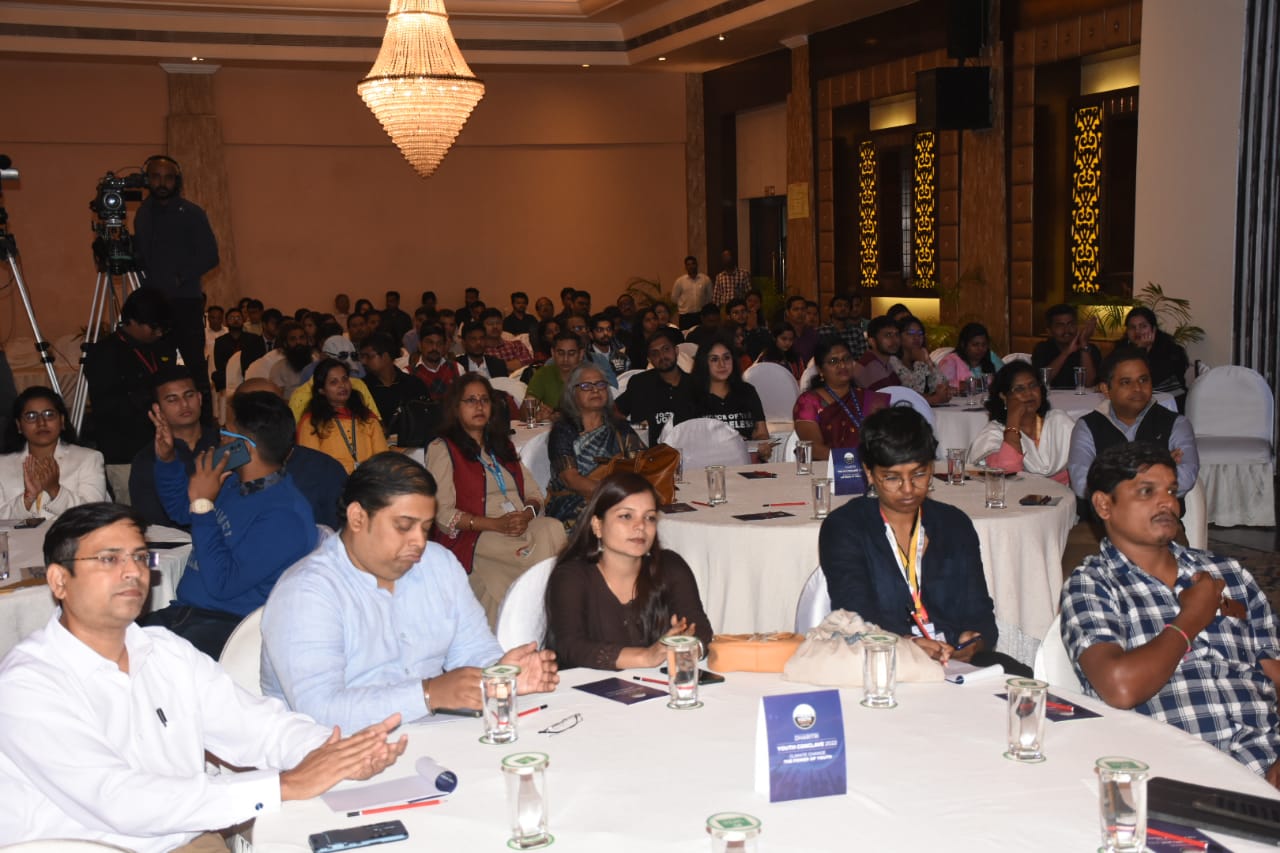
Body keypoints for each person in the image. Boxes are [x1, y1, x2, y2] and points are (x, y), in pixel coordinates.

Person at [0, 503, 405, 852]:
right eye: (109, 559)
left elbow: (258, 727)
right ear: (59, 580)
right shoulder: (29, 684)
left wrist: (337, 751)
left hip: (185, 839)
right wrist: (285, 785)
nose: (132, 572)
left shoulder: (165, 651)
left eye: (140, 557)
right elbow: (119, 800)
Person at [260, 453, 559, 731]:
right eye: (404, 526)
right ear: (358, 517)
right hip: (337, 753)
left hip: (430, 736)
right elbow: (321, 711)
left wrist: (501, 674)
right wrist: (428, 694)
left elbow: (473, 650)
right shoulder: (307, 593)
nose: (419, 541)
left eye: (426, 528)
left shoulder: (438, 564)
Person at [1060, 442, 1280, 782]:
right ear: (1104, 504)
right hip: (1181, 774)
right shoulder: (1093, 584)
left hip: (1268, 756)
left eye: (1172, 491)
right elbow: (1120, 687)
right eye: (1147, 491)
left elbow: (1275, 669)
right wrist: (1191, 618)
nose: (1168, 503)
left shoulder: (1227, 572)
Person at [819, 407, 1029, 674]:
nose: (908, 489)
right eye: (892, 478)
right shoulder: (845, 528)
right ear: (869, 473)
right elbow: (855, 618)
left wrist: (974, 640)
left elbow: (981, 612)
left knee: (1021, 679)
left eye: (919, 474)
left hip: (954, 661)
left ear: (931, 467)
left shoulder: (954, 524)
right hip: (882, 660)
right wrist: (907, 644)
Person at [144, 391, 317, 658]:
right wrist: (168, 460)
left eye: (226, 432)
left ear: (243, 447)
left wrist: (203, 506)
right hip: (188, 613)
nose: (220, 440)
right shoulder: (233, 483)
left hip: (227, 627)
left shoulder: (285, 516)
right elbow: (180, 509)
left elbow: (222, 585)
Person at [426, 376, 567, 624]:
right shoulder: (443, 448)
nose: (479, 406)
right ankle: (536, 613)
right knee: (514, 548)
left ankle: (542, 610)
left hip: (519, 523)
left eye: (484, 400)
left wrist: (526, 515)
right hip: (476, 533)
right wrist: (495, 524)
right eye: (470, 400)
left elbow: (535, 493)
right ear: (455, 408)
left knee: (553, 528)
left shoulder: (502, 446)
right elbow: (442, 512)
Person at [544, 472, 713, 669]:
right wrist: (646, 657)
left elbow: (700, 629)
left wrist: (687, 647)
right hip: (585, 686)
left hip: (656, 683)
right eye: (626, 516)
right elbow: (571, 647)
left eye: (649, 517)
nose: (640, 526)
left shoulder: (670, 566)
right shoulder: (572, 576)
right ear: (597, 525)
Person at [133, 154, 219, 423]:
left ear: (177, 180)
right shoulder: (143, 214)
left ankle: (205, 426)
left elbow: (211, 256)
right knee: (157, 367)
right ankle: (162, 424)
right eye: (156, 177)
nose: (162, 183)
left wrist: (179, 277)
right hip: (154, 305)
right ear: (147, 179)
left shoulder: (192, 213)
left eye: (168, 177)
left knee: (195, 368)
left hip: (185, 301)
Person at [1067, 347, 1199, 516]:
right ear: (1106, 389)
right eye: (1126, 382)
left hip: (1160, 522)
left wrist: (1110, 474)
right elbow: (1082, 484)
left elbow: (1186, 477)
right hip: (1101, 524)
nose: (1137, 388)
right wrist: (1157, 470)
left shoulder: (1177, 424)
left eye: (1143, 380)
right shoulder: (1087, 426)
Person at [84, 288, 179, 502]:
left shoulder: (160, 348)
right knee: (134, 508)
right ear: (132, 321)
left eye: (163, 329)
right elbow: (106, 407)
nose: (159, 333)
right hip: (125, 452)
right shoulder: (104, 353)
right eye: (154, 328)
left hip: (162, 445)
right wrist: (147, 398)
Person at [546, 363, 644, 525]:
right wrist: (614, 495)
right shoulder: (563, 431)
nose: (595, 390)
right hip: (573, 505)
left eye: (601, 384)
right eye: (586, 386)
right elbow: (571, 480)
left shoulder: (619, 426)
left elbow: (642, 463)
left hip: (620, 499)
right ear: (573, 393)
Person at [130, 367, 220, 529]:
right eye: (172, 400)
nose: (184, 404)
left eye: (189, 395)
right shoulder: (148, 458)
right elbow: (151, 522)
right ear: (157, 409)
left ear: (199, 398)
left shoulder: (222, 443)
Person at [0, 386, 106, 519]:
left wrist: (55, 490)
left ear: (62, 421)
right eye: (31, 416)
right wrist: (27, 499)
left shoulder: (89, 458)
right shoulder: (2, 464)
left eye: (49, 414)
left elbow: (94, 515)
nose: (41, 423)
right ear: (19, 425)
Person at [966, 362, 1073, 484]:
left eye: (1033, 386)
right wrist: (1013, 420)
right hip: (1014, 494)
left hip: (1064, 494)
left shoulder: (1059, 422)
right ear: (1004, 396)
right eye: (1019, 389)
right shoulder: (994, 434)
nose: (1029, 393)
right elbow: (1007, 472)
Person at [793, 338, 890, 462]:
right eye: (833, 361)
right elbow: (814, 449)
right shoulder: (808, 402)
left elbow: (886, 440)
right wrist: (852, 460)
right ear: (820, 370)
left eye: (847, 359)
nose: (843, 365)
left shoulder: (869, 398)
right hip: (828, 468)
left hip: (868, 467)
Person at [296, 359, 389, 474]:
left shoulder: (367, 417)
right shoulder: (311, 422)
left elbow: (383, 459)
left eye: (345, 379)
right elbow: (311, 466)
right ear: (322, 390)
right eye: (333, 382)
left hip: (368, 480)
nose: (342, 385)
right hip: (331, 482)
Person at [689, 335, 771, 456]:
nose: (722, 364)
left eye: (726, 358)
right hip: (708, 462)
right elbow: (688, 441)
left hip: (745, 461)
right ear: (703, 363)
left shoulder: (747, 391)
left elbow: (761, 433)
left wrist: (763, 446)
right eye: (714, 359)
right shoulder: (691, 395)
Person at [615, 328, 696, 447]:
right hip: (649, 453)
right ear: (649, 359)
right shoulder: (640, 383)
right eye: (655, 353)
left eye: (666, 349)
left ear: (676, 351)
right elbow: (614, 411)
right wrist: (635, 432)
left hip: (689, 451)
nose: (662, 356)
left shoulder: (695, 385)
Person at [358, 332, 429, 440]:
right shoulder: (361, 388)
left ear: (386, 356)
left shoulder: (413, 384)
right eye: (362, 357)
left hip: (413, 443)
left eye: (368, 356)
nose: (363, 362)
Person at [1124, 306, 1190, 410]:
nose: (1137, 331)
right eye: (1132, 327)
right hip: (1136, 402)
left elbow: (1148, 380)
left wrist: (1142, 349)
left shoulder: (1171, 350)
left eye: (1143, 326)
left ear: (1153, 329)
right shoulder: (1122, 350)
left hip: (1169, 404)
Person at [1032, 303, 1102, 390]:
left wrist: (1084, 343)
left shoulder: (1090, 349)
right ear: (1049, 331)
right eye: (1060, 325)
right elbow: (1042, 381)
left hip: (1082, 397)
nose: (1067, 330)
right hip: (1051, 397)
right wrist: (1067, 352)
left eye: (1070, 324)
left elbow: (1090, 384)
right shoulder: (1042, 349)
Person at [890, 316, 952, 405]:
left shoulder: (923, 357)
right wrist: (920, 362)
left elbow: (942, 386)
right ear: (899, 336)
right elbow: (913, 393)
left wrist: (928, 362)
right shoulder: (892, 361)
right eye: (910, 333)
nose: (916, 337)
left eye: (920, 333)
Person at [525, 329, 584, 419]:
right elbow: (526, 411)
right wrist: (538, 415)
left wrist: (562, 417)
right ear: (553, 353)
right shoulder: (544, 374)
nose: (565, 359)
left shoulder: (590, 376)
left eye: (571, 354)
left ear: (581, 354)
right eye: (560, 353)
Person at [212, 306, 266, 394]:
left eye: (238, 318)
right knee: (217, 376)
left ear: (243, 320)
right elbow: (219, 363)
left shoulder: (253, 339)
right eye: (232, 318)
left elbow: (258, 359)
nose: (235, 320)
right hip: (227, 374)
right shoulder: (220, 341)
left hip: (248, 373)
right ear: (226, 322)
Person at [938, 322, 1004, 390]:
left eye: (984, 344)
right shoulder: (950, 361)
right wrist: (977, 383)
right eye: (975, 345)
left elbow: (1006, 377)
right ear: (963, 344)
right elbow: (943, 386)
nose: (981, 349)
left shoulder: (991, 356)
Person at [268, 320, 317, 399]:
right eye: (293, 339)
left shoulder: (316, 363)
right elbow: (277, 400)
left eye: (302, 338)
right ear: (285, 344)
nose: (298, 342)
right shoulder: (278, 369)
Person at [851, 315, 902, 392]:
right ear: (872, 341)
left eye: (897, 334)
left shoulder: (885, 361)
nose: (895, 340)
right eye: (888, 335)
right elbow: (892, 395)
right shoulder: (869, 364)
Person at [413, 323, 461, 404]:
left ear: (444, 346)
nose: (434, 348)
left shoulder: (457, 368)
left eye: (439, 343)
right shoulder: (408, 373)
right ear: (420, 345)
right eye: (429, 343)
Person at [816, 293, 868, 360]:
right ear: (831, 310)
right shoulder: (821, 332)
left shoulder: (856, 332)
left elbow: (863, 359)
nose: (843, 308)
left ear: (850, 310)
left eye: (846, 306)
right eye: (839, 305)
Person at [672, 255, 713, 328]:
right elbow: (674, 298)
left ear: (697, 265)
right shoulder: (680, 281)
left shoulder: (705, 279)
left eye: (693, 264)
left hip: (701, 315)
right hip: (685, 317)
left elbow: (709, 297)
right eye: (688, 264)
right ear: (685, 267)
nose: (691, 266)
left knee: (701, 334)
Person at [587, 313, 630, 377]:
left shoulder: (621, 354)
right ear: (591, 334)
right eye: (600, 330)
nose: (605, 333)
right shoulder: (586, 357)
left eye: (609, 329)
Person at [783, 295, 819, 366]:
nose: (800, 312)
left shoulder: (813, 334)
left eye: (803, 309)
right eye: (796, 309)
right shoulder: (782, 334)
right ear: (787, 312)